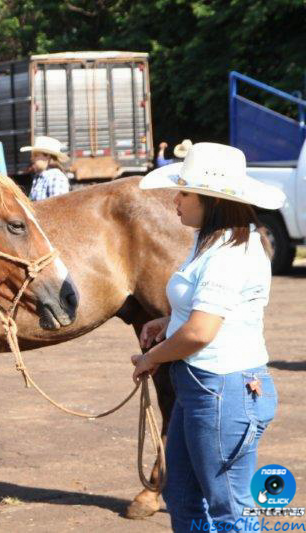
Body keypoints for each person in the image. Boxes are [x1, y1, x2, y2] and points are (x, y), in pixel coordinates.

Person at [131, 142, 285, 532]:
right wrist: (169, 320)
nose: (175, 200)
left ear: (212, 200)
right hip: (206, 389)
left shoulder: (228, 253)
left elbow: (201, 332)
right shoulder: (212, 240)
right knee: (182, 495)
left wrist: (154, 356)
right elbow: (202, 309)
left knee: (230, 509)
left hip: (222, 390)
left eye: (184, 192)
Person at [20, 136, 70, 200]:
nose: (32, 159)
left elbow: (58, 206)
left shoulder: (55, 177)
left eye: (36, 155)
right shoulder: (39, 177)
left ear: (47, 157)